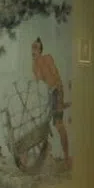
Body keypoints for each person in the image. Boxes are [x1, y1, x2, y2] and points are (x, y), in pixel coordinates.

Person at [31, 37, 70, 166]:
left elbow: (57, 77)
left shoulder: (47, 58)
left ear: (41, 50)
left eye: (36, 47)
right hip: (46, 97)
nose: (33, 50)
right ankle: (46, 158)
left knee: (59, 125)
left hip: (56, 92)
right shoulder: (34, 65)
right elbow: (39, 84)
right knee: (43, 126)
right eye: (32, 47)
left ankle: (66, 158)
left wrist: (60, 98)